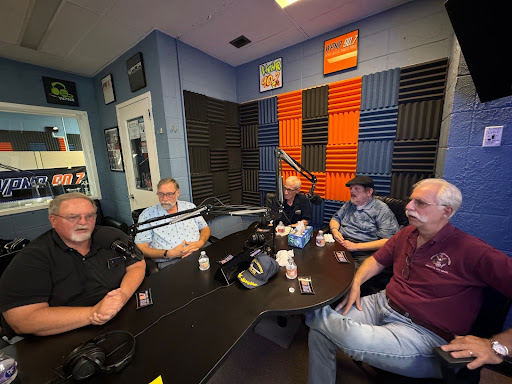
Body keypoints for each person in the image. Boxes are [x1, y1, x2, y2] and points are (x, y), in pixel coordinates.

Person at [306, 178, 512, 383]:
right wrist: (357, 283)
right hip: (382, 303)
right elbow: (376, 261)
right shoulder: (406, 234)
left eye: (420, 203)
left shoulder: (472, 250)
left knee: (329, 324)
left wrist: (497, 346)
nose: (408, 207)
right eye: (411, 201)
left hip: (422, 333)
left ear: (446, 211)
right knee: (321, 332)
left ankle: (307, 312)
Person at [0, 192, 146, 337]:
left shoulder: (111, 236)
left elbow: (137, 264)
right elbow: (22, 320)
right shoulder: (32, 258)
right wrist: (93, 313)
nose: (83, 222)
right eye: (73, 217)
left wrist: (123, 295)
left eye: (89, 216)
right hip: (66, 334)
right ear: (53, 220)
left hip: (122, 317)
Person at [135, 178, 210, 270]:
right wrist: (167, 253)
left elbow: (205, 228)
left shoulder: (189, 207)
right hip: (171, 263)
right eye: (161, 194)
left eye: (169, 194)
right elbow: (140, 247)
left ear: (177, 193)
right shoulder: (147, 215)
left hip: (199, 255)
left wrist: (200, 243)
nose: (165, 199)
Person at [329, 176, 399, 267]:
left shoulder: (381, 209)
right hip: (341, 243)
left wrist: (355, 246)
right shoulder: (349, 204)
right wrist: (335, 231)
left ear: (369, 192)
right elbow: (336, 218)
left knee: (346, 275)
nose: (351, 191)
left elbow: (389, 240)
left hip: (363, 251)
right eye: (351, 189)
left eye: (356, 188)